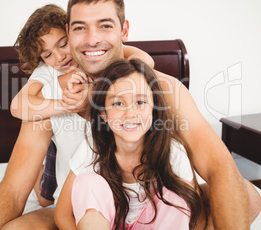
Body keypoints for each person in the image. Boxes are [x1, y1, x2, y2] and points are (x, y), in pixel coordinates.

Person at [0, 0, 261, 230]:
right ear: (69, 33)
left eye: (105, 25)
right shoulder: (47, 99)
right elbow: (13, 187)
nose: (92, 39)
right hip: (85, 210)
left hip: (155, 205)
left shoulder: (163, 89)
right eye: (81, 28)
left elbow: (218, 165)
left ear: (124, 30)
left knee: (247, 197)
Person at [0, 2, 154, 229]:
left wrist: (93, 97)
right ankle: (44, 167)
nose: (59, 57)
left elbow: (145, 61)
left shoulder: (118, 65)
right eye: (47, 54)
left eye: (63, 44)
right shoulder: (49, 75)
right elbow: (19, 106)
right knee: (45, 196)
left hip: (120, 192)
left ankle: (49, 160)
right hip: (71, 181)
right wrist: (68, 104)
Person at [55, 59, 208, 230]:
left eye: (140, 102)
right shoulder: (93, 147)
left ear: (154, 109)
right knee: (88, 182)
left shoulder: (173, 151)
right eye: (118, 103)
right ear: (104, 114)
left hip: (154, 224)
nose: (130, 114)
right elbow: (62, 214)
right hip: (107, 224)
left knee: (177, 196)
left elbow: (196, 214)